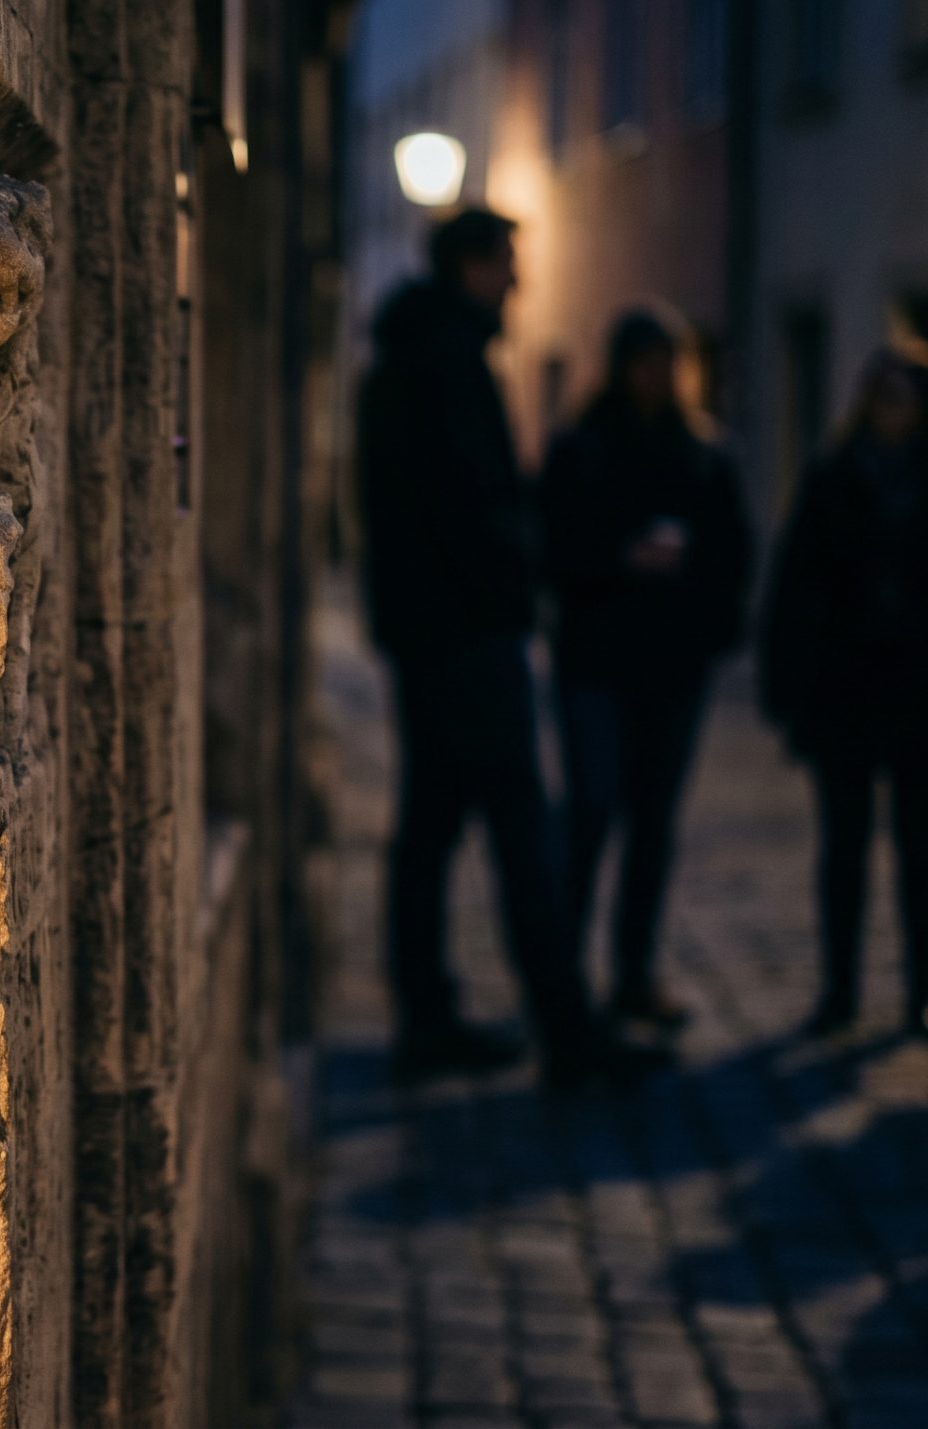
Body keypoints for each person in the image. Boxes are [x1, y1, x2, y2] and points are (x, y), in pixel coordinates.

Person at [355, 207, 615, 1087]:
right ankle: (567, 1031)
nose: (518, 282)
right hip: (466, 640)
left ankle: (430, 1017)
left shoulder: (409, 359)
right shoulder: (447, 365)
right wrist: (516, 585)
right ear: (471, 267)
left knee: (430, 830)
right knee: (522, 833)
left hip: (431, 638)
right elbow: (471, 514)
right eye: (507, 263)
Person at [759, 342, 928, 1041]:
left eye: (901, 396)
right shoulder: (833, 477)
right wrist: (790, 682)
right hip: (845, 690)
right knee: (843, 847)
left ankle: (923, 987)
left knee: (921, 848)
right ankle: (840, 988)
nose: (888, 409)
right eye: (879, 394)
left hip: (923, 690)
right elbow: (794, 584)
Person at [538, 307, 751, 1030]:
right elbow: (555, 548)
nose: (658, 376)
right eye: (647, 361)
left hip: (672, 668)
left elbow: (731, 556)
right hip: (597, 664)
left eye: (670, 362)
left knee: (653, 826)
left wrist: (704, 614)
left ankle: (634, 971)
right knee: (593, 813)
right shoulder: (583, 448)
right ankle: (562, 975)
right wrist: (619, 559)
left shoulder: (703, 453)